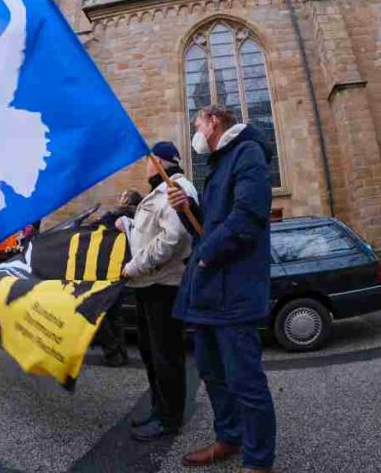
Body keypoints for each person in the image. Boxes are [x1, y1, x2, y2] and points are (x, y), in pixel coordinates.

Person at [169, 105, 277, 473]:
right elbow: (209, 225)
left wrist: (206, 257)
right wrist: (188, 209)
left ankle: (259, 462)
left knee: (245, 381)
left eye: (197, 122)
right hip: (209, 293)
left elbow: (247, 217)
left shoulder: (247, 154)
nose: (195, 129)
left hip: (232, 291)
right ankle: (228, 438)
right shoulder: (218, 162)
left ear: (214, 121)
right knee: (213, 375)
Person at [117, 142, 198, 442]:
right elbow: (150, 231)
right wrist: (128, 224)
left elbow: (172, 238)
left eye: (149, 160)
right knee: (152, 355)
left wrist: (135, 267)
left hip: (163, 286)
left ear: (159, 161)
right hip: (148, 286)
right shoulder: (159, 191)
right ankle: (158, 409)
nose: (145, 166)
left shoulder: (174, 188)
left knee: (166, 357)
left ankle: (169, 420)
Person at [92, 188, 142, 367]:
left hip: (108, 271)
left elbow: (94, 229)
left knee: (101, 313)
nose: (119, 197)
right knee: (115, 314)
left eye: (122, 196)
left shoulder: (114, 218)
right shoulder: (140, 218)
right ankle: (121, 353)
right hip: (124, 270)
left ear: (128, 201)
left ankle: (113, 353)